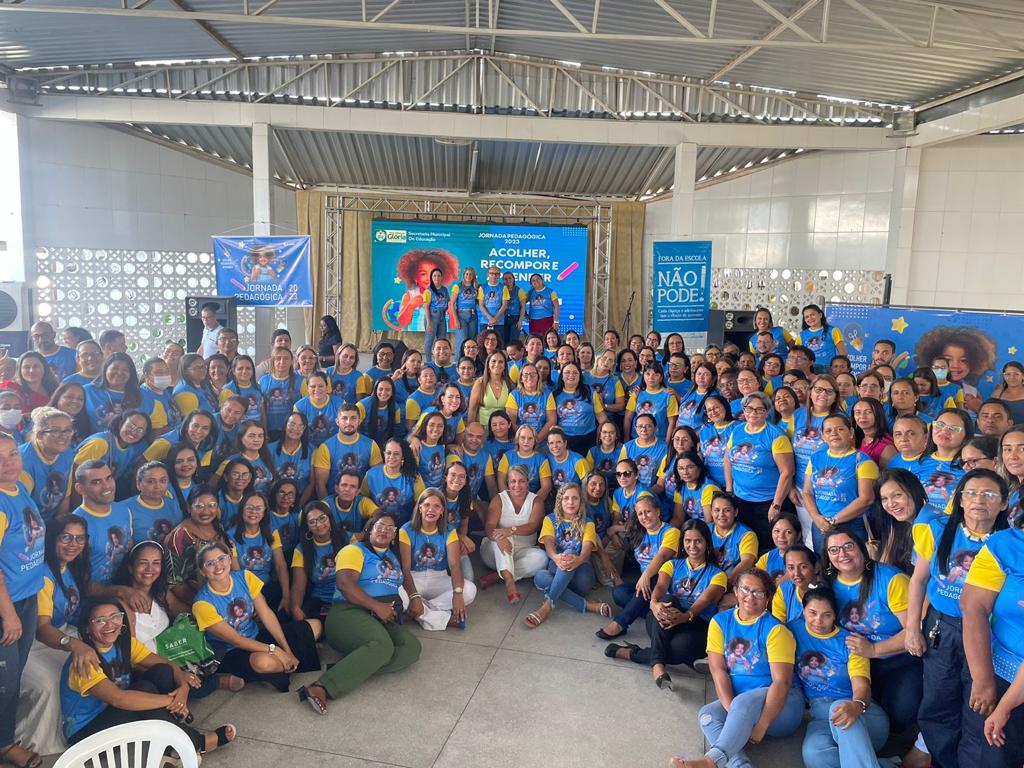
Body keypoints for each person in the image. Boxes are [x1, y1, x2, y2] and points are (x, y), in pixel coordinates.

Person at [906, 469, 1009, 767]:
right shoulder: (938, 529)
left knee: (979, 707)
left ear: (1004, 503)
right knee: (937, 703)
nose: (979, 500)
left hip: (987, 635)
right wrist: (912, 628)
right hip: (941, 628)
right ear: (960, 500)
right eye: (971, 493)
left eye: (989, 494)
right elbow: (918, 581)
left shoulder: (1009, 543)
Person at [59, 598, 236, 753]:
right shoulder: (83, 662)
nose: (110, 625)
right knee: (142, 692)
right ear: (87, 628)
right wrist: (171, 701)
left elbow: (167, 664)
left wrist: (183, 687)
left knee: (162, 672)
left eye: (115, 617)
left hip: (115, 715)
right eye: (100, 620)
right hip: (87, 736)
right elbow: (118, 699)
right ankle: (196, 743)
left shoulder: (124, 644)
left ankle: (171, 738)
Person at [671, 568, 804, 768]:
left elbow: (782, 683)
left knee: (742, 703)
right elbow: (718, 669)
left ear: (767, 598)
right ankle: (741, 765)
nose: (750, 596)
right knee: (707, 715)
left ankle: (709, 763)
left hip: (782, 707)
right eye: (745, 589)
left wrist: (762, 725)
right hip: (742, 704)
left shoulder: (776, 630)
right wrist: (732, 711)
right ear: (735, 590)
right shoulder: (720, 622)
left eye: (758, 592)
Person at [301, 511, 421, 710]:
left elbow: (403, 580)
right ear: (369, 530)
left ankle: (354, 666)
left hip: (381, 615)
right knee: (383, 646)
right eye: (379, 526)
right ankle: (322, 686)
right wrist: (376, 606)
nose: (384, 531)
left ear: (394, 535)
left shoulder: (392, 557)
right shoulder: (354, 550)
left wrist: (413, 597)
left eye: (390, 528)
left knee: (411, 648)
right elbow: (345, 584)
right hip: (349, 611)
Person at [607, 518, 726, 689]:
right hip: (662, 618)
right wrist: (654, 603)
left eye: (698, 541)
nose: (692, 546)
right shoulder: (672, 565)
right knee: (668, 600)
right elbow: (661, 586)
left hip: (695, 622)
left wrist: (685, 616)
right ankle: (658, 666)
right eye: (688, 541)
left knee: (680, 649)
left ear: (707, 543)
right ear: (682, 543)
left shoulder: (718, 575)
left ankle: (632, 653)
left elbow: (705, 600)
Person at [821, 527, 920, 732]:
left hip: (899, 658)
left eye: (848, 546)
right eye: (834, 550)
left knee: (901, 714)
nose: (842, 554)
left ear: (861, 547)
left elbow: (915, 632)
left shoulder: (891, 579)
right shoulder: (827, 584)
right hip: (854, 660)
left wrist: (873, 650)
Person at [192, 541, 321, 693]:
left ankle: (285, 663)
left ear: (229, 559)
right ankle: (283, 663)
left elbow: (266, 614)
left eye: (222, 558)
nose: (218, 566)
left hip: (256, 636)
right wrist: (274, 650)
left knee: (314, 626)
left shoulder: (245, 577)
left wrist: (287, 650)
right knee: (264, 663)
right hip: (232, 651)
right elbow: (236, 640)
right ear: (202, 571)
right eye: (210, 563)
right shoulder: (202, 604)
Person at [16, 514, 92, 757]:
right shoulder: (42, 573)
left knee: (89, 666)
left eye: (80, 538)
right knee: (48, 684)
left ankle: (78, 730)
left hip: (60, 632)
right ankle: (32, 744)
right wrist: (74, 644)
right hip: (28, 642)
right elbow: (42, 628)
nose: (73, 544)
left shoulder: (71, 566)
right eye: (66, 537)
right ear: (51, 539)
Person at [794, 586, 890, 768]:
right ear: (803, 610)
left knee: (839, 708)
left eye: (826, 615)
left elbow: (862, 686)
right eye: (812, 613)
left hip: (862, 715)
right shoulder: (792, 630)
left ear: (835, 616)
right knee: (814, 755)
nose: (818, 621)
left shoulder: (850, 642)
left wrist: (856, 705)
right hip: (821, 717)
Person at [524, 483, 609, 627]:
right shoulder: (550, 519)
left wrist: (578, 559)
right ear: (560, 501)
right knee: (540, 577)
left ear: (580, 502)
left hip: (581, 575)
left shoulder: (588, 523)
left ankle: (548, 604)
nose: (570, 502)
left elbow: (586, 552)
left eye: (575, 498)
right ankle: (588, 605)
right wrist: (556, 557)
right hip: (557, 567)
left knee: (569, 553)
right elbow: (548, 543)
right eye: (566, 498)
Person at [597, 492, 679, 640]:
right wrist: (614, 532)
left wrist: (646, 575)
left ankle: (620, 623)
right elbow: (613, 531)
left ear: (658, 511)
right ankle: (653, 612)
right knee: (619, 593)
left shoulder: (671, 532)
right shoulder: (639, 532)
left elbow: (662, 557)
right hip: (646, 584)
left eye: (648, 511)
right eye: (640, 513)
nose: (644, 516)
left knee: (650, 581)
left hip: (664, 583)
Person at [723, 391, 795, 550]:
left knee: (767, 545)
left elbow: (787, 472)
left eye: (759, 409)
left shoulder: (775, 435)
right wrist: (729, 489)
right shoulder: (737, 430)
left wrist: (776, 505)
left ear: (767, 412)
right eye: (749, 409)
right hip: (740, 499)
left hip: (767, 502)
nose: (753, 413)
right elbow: (727, 460)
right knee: (746, 543)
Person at [398, 489, 476, 631]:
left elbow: (454, 565)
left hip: (439, 577)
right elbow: (405, 568)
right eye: (427, 505)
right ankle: (443, 619)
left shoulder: (449, 531)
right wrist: (414, 596)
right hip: (414, 578)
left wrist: (458, 594)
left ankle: (416, 611)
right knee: (398, 594)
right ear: (420, 507)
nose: (431, 510)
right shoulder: (406, 530)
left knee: (470, 590)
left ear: (442, 511)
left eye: (436, 506)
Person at [803, 414, 879, 552]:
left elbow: (866, 499)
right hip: (821, 524)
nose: (834, 434)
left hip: (852, 525)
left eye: (840, 429)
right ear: (823, 436)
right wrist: (817, 518)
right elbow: (807, 492)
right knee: (824, 563)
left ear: (851, 432)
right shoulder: (815, 458)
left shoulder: (862, 460)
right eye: (828, 431)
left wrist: (833, 521)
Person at [480, 464, 547, 604]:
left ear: (528, 482)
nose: (517, 485)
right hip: (495, 551)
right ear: (508, 483)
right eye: (513, 481)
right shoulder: (499, 499)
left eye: (521, 481)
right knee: (504, 537)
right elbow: (489, 526)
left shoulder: (536, 501)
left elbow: (532, 527)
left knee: (542, 558)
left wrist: (510, 530)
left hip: (523, 552)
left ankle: (497, 576)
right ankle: (510, 583)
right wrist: (499, 538)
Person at [164, 485, 235, 615]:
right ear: (189, 507)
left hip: (228, 595)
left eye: (211, 505)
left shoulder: (217, 525)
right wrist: (208, 604)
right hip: (202, 602)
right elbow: (175, 584)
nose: (206, 511)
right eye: (199, 506)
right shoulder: (178, 537)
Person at [289, 502, 345, 623]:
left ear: (329, 518)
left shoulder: (347, 539)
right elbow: (298, 585)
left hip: (348, 598)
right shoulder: (301, 549)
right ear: (307, 526)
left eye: (322, 518)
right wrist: (296, 608)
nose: (318, 525)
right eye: (312, 522)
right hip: (321, 601)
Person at [18, 406, 74, 522]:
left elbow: (65, 497)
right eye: (55, 431)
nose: (64, 435)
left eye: (68, 430)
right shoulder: (22, 462)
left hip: (51, 519)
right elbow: (22, 510)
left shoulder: (67, 453)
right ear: (39, 435)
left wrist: (59, 526)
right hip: (28, 522)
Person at [869, 469, 925, 573]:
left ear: (915, 491)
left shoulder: (929, 525)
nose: (891, 504)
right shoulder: (897, 525)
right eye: (884, 499)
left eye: (897, 495)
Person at [772, 544, 820, 624]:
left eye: (803, 567)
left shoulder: (827, 593)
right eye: (791, 568)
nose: (797, 573)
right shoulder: (784, 591)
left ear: (816, 567)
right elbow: (778, 626)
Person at [852, 397, 897, 469]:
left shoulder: (886, 447)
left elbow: (891, 475)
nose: (862, 416)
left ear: (879, 414)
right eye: (858, 412)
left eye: (869, 412)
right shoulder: (856, 439)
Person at [421, 268, 451, 365]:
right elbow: (426, 307)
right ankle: (428, 362)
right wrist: (429, 322)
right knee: (429, 339)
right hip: (432, 316)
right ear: (431, 278)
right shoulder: (428, 291)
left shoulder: (444, 290)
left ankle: (440, 361)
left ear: (441, 277)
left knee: (442, 339)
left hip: (442, 316)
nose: (437, 278)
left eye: (438, 276)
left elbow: (448, 301)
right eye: (434, 276)